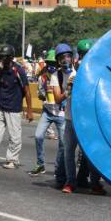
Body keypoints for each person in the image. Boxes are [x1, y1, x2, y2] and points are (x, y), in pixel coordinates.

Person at [62, 42, 105, 195]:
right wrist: (70, 88)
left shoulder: (97, 77)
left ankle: (95, 183)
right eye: (82, 54)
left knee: (91, 153)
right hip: (70, 120)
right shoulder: (73, 76)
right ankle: (70, 182)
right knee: (69, 152)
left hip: (88, 122)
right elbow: (65, 97)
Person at [29, 49, 66, 178]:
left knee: (63, 143)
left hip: (61, 113)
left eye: (53, 63)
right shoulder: (42, 78)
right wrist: (43, 93)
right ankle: (40, 164)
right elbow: (40, 95)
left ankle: (58, 168)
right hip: (47, 112)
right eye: (49, 63)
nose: (51, 66)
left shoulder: (62, 77)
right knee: (38, 136)